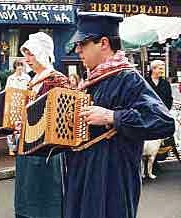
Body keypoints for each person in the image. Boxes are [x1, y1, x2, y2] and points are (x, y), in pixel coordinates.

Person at [64, 12, 175, 218]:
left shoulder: (128, 78)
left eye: (83, 43)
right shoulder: (90, 81)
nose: (77, 50)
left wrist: (111, 117)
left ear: (103, 43)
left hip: (111, 181)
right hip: (82, 176)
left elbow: (164, 122)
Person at [15, 32, 68, 218]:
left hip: (48, 151)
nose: (27, 59)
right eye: (26, 54)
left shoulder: (57, 79)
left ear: (42, 53)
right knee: (28, 197)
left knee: (46, 199)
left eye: (31, 54)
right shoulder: (32, 81)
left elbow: (65, 117)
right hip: (27, 147)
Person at [146, 60, 180, 163]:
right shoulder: (145, 82)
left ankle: (158, 158)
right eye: (160, 68)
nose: (162, 70)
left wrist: (165, 110)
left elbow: (169, 99)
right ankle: (150, 163)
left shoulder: (165, 83)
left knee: (160, 137)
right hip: (148, 115)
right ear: (153, 69)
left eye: (163, 68)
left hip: (162, 115)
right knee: (149, 138)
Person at [5, 59, 31, 155]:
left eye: (21, 65)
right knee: (11, 126)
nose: (20, 68)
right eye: (18, 65)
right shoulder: (10, 78)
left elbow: (29, 90)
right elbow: (7, 91)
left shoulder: (27, 78)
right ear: (15, 67)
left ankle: (20, 145)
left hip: (23, 105)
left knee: (22, 125)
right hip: (13, 105)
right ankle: (11, 148)